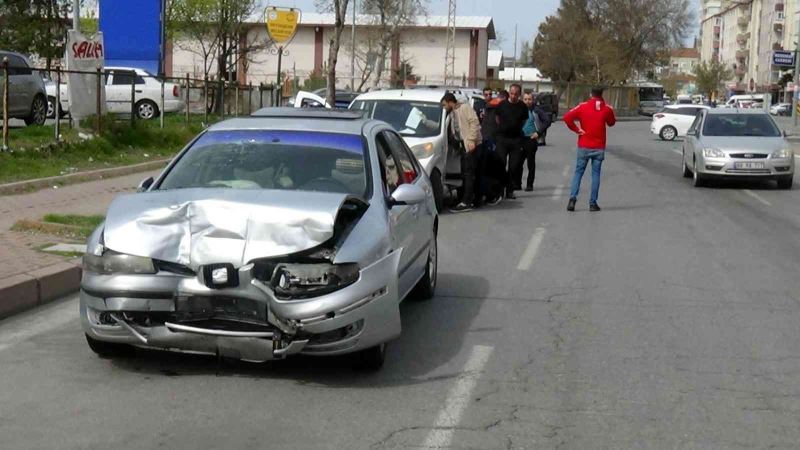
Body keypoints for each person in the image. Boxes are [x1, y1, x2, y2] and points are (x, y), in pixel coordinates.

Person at [563, 86, 616, 212]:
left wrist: (577, 129)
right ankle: (592, 203)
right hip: (599, 146)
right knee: (596, 174)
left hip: (584, 145)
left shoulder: (583, 106)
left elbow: (567, 117)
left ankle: (572, 199)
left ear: (591, 94)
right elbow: (611, 123)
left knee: (578, 172)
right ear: (602, 94)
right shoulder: (607, 108)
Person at [441, 92, 482, 213]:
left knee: (469, 174)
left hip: (471, 145)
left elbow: (474, 122)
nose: (444, 108)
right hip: (463, 146)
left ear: (450, 102)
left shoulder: (464, 108)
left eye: (444, 105)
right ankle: (464, 198)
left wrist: (471, 140)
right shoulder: (452, 113)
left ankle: (467, 201)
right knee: (464, 173)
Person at [494, 84, 529, 199]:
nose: (513, 96)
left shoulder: (522, 106)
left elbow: (524, 121)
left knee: (514, 166)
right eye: (512, 93)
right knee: (501, 164)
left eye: (516, 94)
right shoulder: (502, 105)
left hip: (516, 140)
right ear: (509, 93)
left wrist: (516, 128)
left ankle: (510, 190)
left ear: (519, 94)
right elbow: (497, 118)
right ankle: (499, 189)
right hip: (502, 139)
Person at [520, 92, 551, 192]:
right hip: (520, 139)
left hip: (531, 139)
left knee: (530, 163)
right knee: (517, 162)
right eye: (525, 99)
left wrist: (539, 132)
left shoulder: (536, 110)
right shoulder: (518, 109)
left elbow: (547, 121)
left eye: (529, 99)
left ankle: (529, 184)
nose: (527, 101)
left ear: (532, 100)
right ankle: (517, 183)